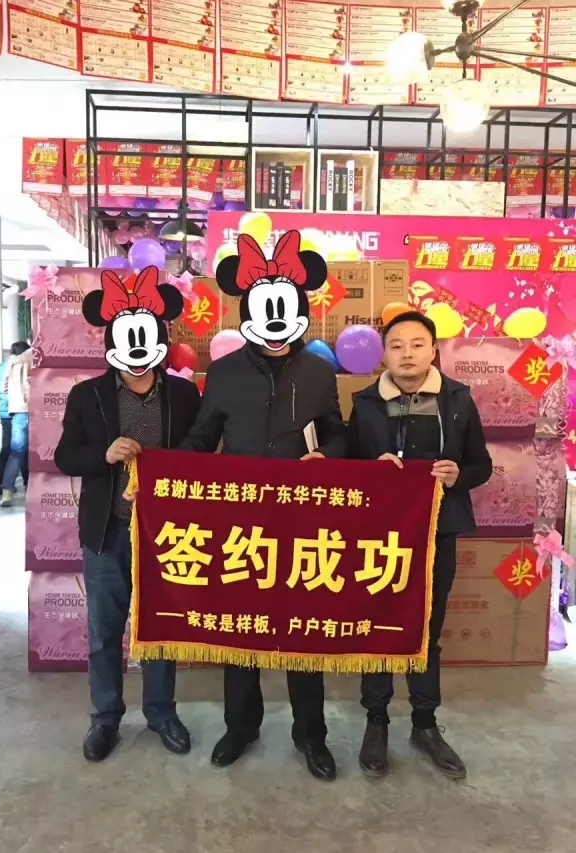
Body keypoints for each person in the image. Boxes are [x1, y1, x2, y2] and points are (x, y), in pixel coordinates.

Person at [180, 230, 347, 781]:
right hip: (241, 521)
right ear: (247, 312)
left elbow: (337, 433)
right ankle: (241, 726)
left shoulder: (319, 371)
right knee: (240, 630)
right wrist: (156, 473)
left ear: (300, 312)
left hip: (302, 521)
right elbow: (202, 440)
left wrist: (326, 455)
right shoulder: (225, 373)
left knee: (303, 631)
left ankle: (311, 735)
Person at [55, 264, 200, 763]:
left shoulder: (183, 394)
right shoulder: (88, 395)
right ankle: (106, 718)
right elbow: (64, 457)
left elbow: (200, 454)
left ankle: (161, 713)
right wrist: (104, 454)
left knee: (161, 628)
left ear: (161, 341)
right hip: (107, 532)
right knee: (104, 632)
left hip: (166, 534)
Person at [347, 311, 492, 780]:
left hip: (437, 530)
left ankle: (425, 725)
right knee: (377, 624)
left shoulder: (457, 399)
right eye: (396, 345)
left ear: (433, 350)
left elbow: (482, 465)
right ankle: (376, 721)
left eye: (416, 344)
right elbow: (347, 465)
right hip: (380, 533)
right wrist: (372, 470)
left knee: (426, 628)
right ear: (384, 354)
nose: (407, 354)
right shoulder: (366, 402)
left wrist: (458, 475)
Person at [0, 342, 32, 507]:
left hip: (17, 411)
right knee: (39, 451)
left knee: (16, 452)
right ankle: (34, 490)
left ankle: (7, 492)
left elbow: (3, 388)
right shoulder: (33, 357)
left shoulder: (10, 363)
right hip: (34, 409)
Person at [0, 353, 11, 496]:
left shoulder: (0, 367)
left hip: (5, 413)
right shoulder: (15, 366)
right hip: (14, 411)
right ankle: (27, 483)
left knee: (6, 448)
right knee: (20, 450)